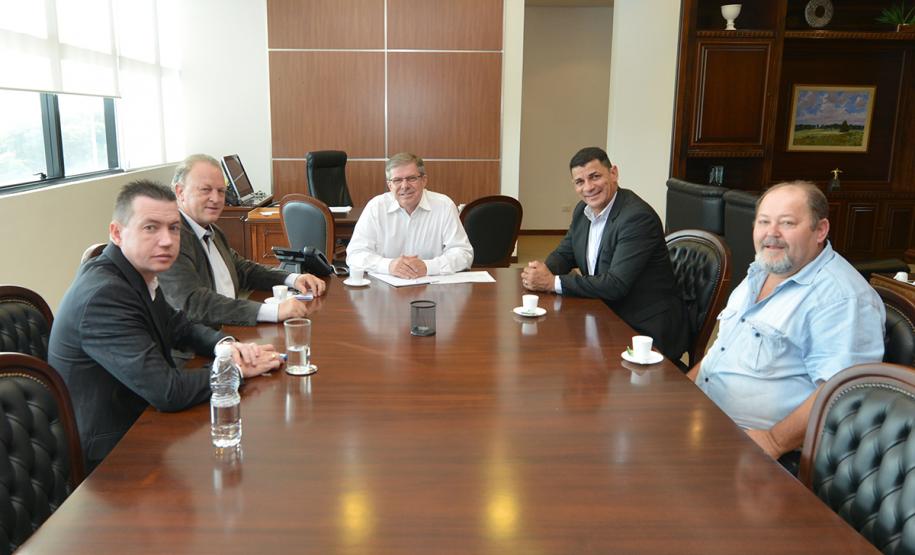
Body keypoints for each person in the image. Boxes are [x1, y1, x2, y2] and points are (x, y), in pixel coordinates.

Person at [49, 180, 282, 471]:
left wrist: (228, 346)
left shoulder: (134, 271)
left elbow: (179, 327)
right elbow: (167, 391)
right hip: (113, 456)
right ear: (117, 233)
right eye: (150, 228)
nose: (167, 240)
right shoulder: (104, 296)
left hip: (145, 419)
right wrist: (234, 370)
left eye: (173, 228)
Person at [688, 181, 885, 462]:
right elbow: (721, 351)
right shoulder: (762, 270)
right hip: (706, 424)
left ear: (820, 230)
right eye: (764, 222)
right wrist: (682, 394)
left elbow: (842, 393)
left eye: (787, 223)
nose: (772, 233)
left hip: (765, 454)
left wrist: (774, 440)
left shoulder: (841, 298)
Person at [521, 147, 688, 360]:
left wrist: (552, 282)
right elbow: (565, 253)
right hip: (606, 314)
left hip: (643, 328)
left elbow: (615, 284)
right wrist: (540, 271)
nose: (588, 187)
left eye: (595, 177)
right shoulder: (583, 212)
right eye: (580, 182)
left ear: (614, 173)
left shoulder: (636, 218)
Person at [158, 154, 326, 328]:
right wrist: (273, 312)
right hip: (198, 348)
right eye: (205, 190)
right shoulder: (171, 239)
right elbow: (193, 304)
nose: (216, 199)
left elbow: (243, 270)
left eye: (221, 191)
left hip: (231, 330)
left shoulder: (211, 231)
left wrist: (293, 278)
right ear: (180, 192)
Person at [346, 152, 473, 278]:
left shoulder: (444, 206)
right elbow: (355, 254)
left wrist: (428, 267)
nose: (404, 186)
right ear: (390, 185)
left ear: (424, 180)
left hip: (433, 290)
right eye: (397, 180)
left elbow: (463, 254)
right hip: (384, 290)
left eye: (411, 178)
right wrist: (388, 266)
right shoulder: (376, 207)